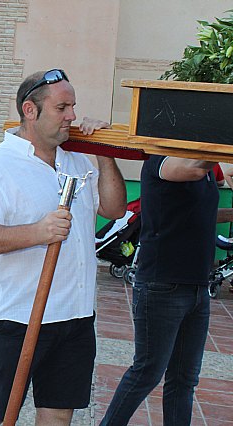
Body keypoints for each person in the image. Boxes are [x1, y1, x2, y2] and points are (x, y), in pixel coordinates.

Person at [0, 69, 126, 426]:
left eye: (73, 106)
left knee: (57, 414)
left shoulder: (77, 159)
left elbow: (113, 210)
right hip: (18, 315)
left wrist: (105, 152)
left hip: (76, 314)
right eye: (62, 107)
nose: (72, 116)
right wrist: (38, 232)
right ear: (30, 111)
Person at [99, 156, 233, 426]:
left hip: (197, 285)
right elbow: (191, 170)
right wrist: (220, 147)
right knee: (147, 371)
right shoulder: (160, 161)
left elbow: (206, 211)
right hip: (163, 285)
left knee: (184, 379)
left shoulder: (206, 172)